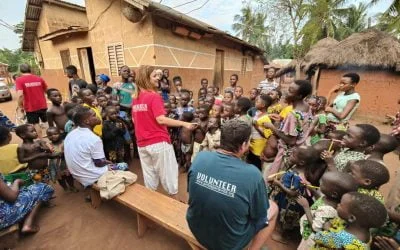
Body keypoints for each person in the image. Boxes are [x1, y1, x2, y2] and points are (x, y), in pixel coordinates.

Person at [187, 119, 278, 250]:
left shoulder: (201, 157)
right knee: (273, 207)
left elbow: (191, 194)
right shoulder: (253, 174)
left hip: (196, 229)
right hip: (228, 244)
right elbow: (259, 215)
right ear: (244, 145)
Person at [131, 65, 196, 198]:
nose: (158, 79)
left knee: (149, 175)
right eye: (154, 76)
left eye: (158, 76)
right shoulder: (154, 96)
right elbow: (160, 120)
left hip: (142, 144)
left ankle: (151, 203)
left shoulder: (136, 98)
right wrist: (185, 123)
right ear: (145, 78)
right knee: (169, 174)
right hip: (158, 143)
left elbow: (134, 120)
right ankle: (175, 203)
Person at [296, 172, 358, 250]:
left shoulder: (328, 210)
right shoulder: (329, 198)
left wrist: (306, 206)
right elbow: (320, 199)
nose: (320, 183)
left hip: (311, 239)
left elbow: (315, 228)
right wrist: (311, 189)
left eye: (323, 183)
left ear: (334, 194)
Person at [265, 80, 313, 175]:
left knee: (276, 179)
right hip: (300, 151)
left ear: (299, 96)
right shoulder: (307, 107)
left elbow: (291, 141)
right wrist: (282, 121)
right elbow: (300, 128)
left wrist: (272, 127)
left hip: (288, 155)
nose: (286, 92)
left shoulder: (293, 114)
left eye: (290, 91)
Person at [312, 192, 387, 249]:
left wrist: (327, 227)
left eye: (341, 204)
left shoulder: (342, 238)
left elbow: (318, 237)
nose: (338, 204)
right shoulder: (367, 236)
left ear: (351, 218)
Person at [64, 106, 110, 187]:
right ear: (87, 121)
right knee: (123, 166)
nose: (97, 117)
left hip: (76, 175)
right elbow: (100, 163)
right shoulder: (94, 139)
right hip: (91, 176)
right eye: (94, 115)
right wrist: (108, 162)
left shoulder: (70, 134)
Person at [16, 63, 48, 138]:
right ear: (30, 69)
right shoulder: (39, 78)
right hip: (42, 104)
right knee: (46, 121)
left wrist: (20, 106)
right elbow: (47, 90)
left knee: (35, 123)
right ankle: (51, 137)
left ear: (20, 71)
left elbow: (20, 95)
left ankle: (41, 141)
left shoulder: (19, 80)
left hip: (30, 107)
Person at [46, 127, 78, 192]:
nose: (53, 136)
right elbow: (48, 155)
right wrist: (57, 154)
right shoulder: (49, 146)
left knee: (69, 176)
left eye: (55, 134)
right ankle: (65, 188)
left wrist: (65, 153)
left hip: (66, 164)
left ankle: (72, 186)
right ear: (47, 137)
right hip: (55, 166)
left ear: (60, 133)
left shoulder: (65, 142)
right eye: (50, 135)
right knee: (60, 179)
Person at [247, 94, 273, 171]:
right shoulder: (257, 114)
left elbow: (267, 135)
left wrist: (257, 127)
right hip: (252, 144)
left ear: (263, 105)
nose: (255, 103)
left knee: (256, 166)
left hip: (259, 147)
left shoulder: (266, 118)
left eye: (257, 102)